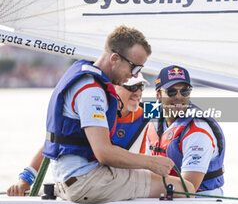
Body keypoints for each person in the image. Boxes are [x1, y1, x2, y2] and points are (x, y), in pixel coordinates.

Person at [8, 26, 194, 203]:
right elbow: (100, 152)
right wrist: (151, 162)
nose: (137, 90)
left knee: (178, 185)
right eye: (132, 84)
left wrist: (203, 113)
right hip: (88, 181)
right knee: (185, 189)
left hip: (77, 177)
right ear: (116, 87)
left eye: (141, 86)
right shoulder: (94, 96)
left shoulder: (141, 112)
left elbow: (179, 108)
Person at [7, 73, 151, 196]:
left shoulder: (149, 110)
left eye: (141, 87)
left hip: (130, 184)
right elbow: (52, 144)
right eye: (132, 87)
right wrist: (24, 181)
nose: (138, 93)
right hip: (94, 185)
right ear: (114, 88)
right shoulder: (94, 111)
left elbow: (172, 109)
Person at [146, 65, 225, 196]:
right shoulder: (152, 121)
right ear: (158, 95)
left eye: (185, 91)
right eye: (171, 91)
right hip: (165, 196)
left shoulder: (198, 131)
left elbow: (188, 189)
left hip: (200, 202)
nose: (178, 97)